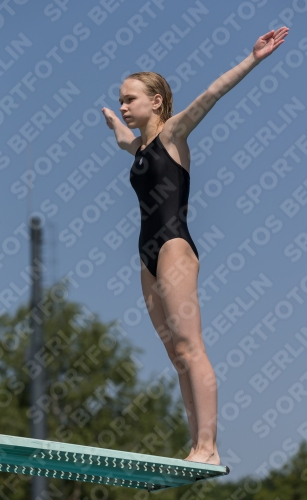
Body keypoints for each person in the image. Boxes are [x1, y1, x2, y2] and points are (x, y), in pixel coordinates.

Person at [102, 27, 289, 465]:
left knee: (190, 346)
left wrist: (254, 57)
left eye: (130, 99)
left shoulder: (172, 135)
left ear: (157, 102)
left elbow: (212, 93)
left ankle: (208, 446)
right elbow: (131, 147)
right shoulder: (142, 148)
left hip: (172, 246)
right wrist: (115, 125)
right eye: (122, 99)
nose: (125, 105)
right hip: (145, 254)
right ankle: (195, 445)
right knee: (174, 353)